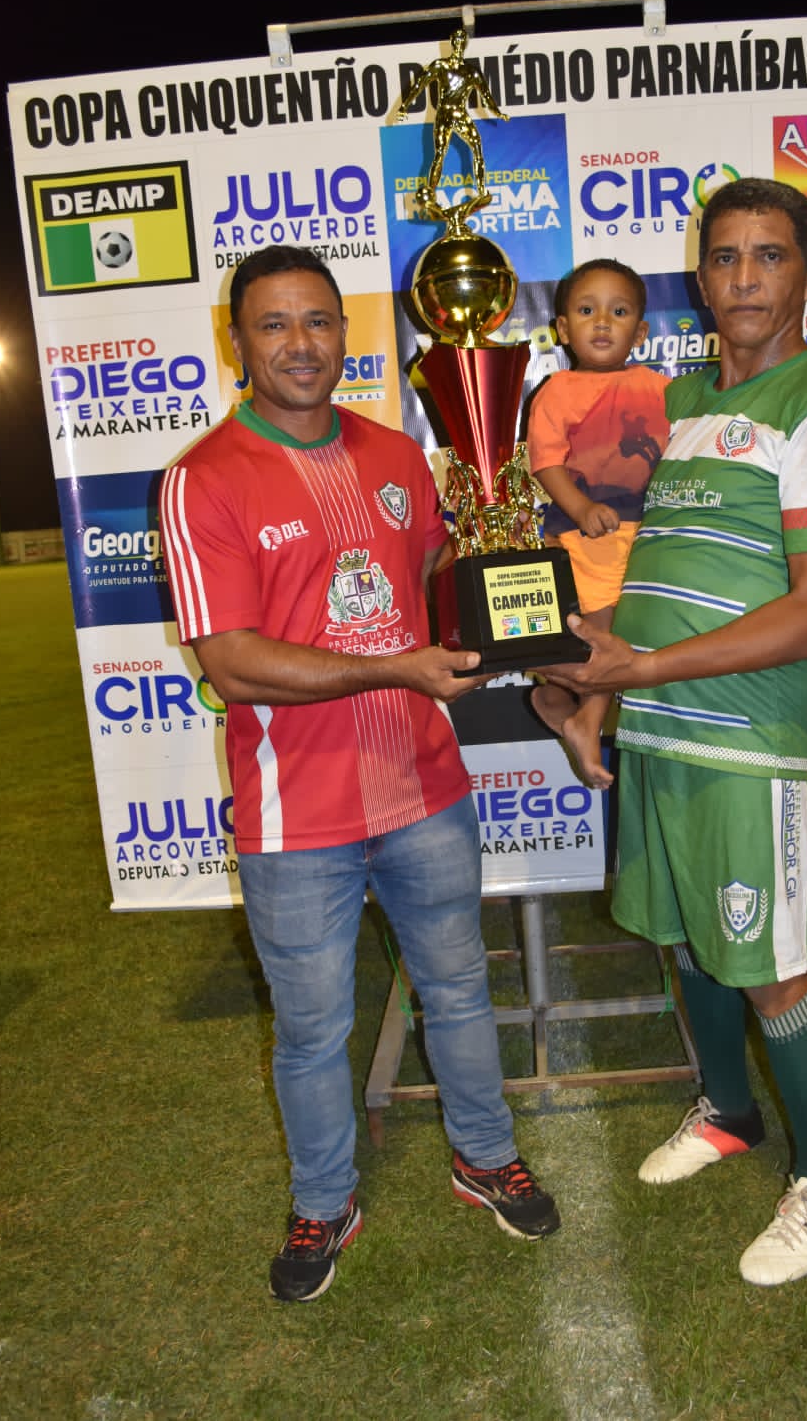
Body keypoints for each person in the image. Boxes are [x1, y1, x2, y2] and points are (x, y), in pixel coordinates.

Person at [159, 245, 560, 1304]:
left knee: (461, 991)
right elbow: (233, 659)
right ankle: (323, 1200)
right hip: (299, 817)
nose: (300, 344)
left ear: (348, 336)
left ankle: (484, 1155)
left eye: (319, 323)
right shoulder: (203, 478)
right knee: (311, 1031)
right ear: (237, 341)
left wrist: (505, 589)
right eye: (275, 325)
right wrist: (394, 665)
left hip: (425, 788)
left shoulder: (394, 454)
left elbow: (438, 575)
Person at [539, 180, 807, 1285]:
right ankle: (729, 1111)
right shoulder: (685, 401)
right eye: (726, 257)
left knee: (773, 970)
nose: (745, 277)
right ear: (700, 278)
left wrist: (635, 667)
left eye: (769, 256)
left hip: (748, 746)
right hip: (658, 733)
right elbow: (654, 577)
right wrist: (594, 681)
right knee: (686, 936)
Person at [527, 258, 668, 788]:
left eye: (619, 310)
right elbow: (546, 462)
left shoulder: (659, 388)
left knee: (631, 627)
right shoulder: (557, 391)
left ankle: (564, 701)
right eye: (587, 311)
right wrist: (582, 509)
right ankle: (586, 718)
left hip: (644, 526)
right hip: (586, 525)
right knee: (601, 623)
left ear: (642, 330)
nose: (603, 322)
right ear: (563, 329)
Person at [395, 28, 508, 224]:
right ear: (451, 41)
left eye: (462, 39)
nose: (459, 43)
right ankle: (431, 194)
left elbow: (486, 96)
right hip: (445, 113)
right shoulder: (441, 66)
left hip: (460, 113)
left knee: (477, 147)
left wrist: (497, 112)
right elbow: (419, 84)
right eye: (456, 39)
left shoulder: (471, 72)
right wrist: (404, 105)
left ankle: (482, 190)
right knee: (440, 154)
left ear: (465, 44)